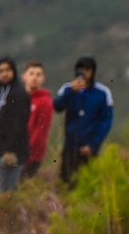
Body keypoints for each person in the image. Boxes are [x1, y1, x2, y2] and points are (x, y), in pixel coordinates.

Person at [53, 55, 114, 188]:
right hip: (70, 144)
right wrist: (71, 91)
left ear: (93, 72)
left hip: (89, 145)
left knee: (87, 184)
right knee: (66, 183)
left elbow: (106, 121)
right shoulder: (67, 89)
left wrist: (94, 144)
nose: (84, 73)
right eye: (80, 69)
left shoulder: (102, 93)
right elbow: (57, 106)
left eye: (87, 69)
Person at [0, 57, 32, 193]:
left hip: (13, 152)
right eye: (0, 71)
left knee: (10, 192)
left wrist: (10, 150)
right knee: (1, 189)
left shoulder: (19, 93)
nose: (4, 74)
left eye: (7, 70)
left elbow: (19, 123)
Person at [22, 61, 52, 179]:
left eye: (38, 74)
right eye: (31, 74)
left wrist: (28, 155)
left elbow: (40, 132)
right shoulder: (19, 98)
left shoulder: (44, 101)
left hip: (32, 155)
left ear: (43, 78)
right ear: (24, 76)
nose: (34, 77)